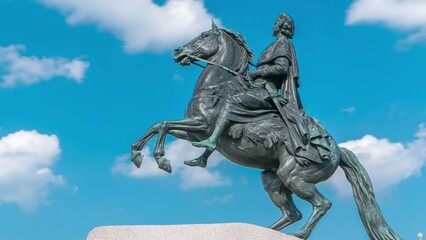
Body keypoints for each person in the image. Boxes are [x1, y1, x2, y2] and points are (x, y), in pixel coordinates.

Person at [191, 13, 318, 167]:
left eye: (275, 23)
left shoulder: (283, 44)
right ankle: (205, 156)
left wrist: (256, 72)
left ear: (280, 26)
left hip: (266, 90)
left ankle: (211, 141)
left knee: (231, 102)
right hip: (258, 86)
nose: (273, 27)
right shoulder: (274, 45)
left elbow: (282, 68)